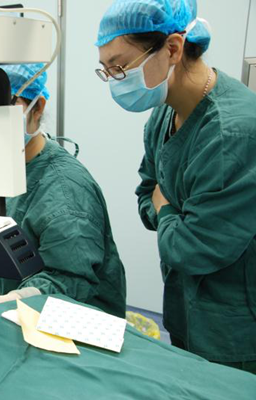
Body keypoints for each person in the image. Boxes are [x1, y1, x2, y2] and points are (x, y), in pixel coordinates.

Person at [95, 0, 256, 373]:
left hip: (234, 330)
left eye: (119, 66)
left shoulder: (234, 132)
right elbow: (145, 195)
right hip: (186, 308)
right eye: (107, 71)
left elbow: (191, 249)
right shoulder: (164, 114)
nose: (116, 80)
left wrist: (166, 208)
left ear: (172, 48)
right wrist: (168, 214)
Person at [0, 64, 127, 332]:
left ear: (37, 109)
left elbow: (70, 281)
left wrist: (16, 300)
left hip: (76, 329)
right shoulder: (14, 164)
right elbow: (15, 223)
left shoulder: (65, 192)